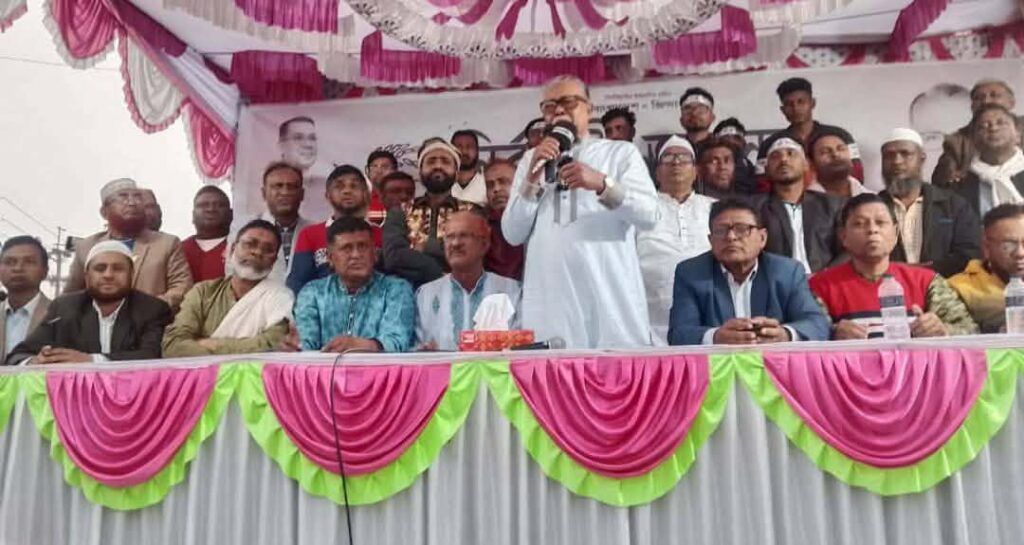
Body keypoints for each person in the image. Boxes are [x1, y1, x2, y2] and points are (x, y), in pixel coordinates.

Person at [503, 75, 658, 348]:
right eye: (549, 106)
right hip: (551, 304)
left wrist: (602, 183)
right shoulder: (531, 159)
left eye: (568, 102)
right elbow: (512, 233)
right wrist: (532, 178)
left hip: (609, 298)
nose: (558, 111)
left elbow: (648, 215)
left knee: (615, 370)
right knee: (551, 371)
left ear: (590, 109)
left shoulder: (620, 153)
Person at [809, 194, 978, 339]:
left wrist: (943, 330)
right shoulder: (820, 287)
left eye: (880, 222)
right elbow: (808, 334)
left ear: (896, 234)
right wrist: (832, 334)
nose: (872, 230)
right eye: (860, 224)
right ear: (843, 236)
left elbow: (971, 331)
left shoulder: (926, 281)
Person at [668, 199, 829, 345]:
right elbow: (679, 333)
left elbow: (817, 324)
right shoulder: (691, 273)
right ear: (710, 240)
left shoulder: (787, 272)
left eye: (742, 229)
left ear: (762, 238)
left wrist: (785, 334)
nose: (731, 237)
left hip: (773, 364)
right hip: (717, 365)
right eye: (721, 231)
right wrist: (715, 336)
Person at [7, 241, 172, 365]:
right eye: (100, 268)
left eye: (118, 268)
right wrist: (36, 361)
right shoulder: (64, 307)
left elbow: (153, 356)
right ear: (87, 276)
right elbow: (18, 356)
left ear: (131, 274)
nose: (108, 275)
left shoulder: (153, 309)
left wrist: (91, 360)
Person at [163, 220, 294, 357]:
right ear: (232, 249)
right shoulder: (203, 292)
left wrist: (210, 344)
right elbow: (173, 346)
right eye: (250, 244)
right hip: (203, 372)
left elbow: (274, 344)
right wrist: (248, 346)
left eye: (268, 249)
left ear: (274, 261)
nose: (258, 252)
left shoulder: (280, 297)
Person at [65, 178, 193, 311]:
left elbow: (182, 288)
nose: (132, 202)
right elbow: (71, 297)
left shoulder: (167, 243)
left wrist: (149, 310)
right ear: (104, 212)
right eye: (123, 197)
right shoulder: (87, 247)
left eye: (137, 197)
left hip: (153, 322)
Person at [294, 217, 415, 353]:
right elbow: (305, 346)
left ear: (375, 254)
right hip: (323, 367)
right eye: (347, 248)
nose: (356, 255)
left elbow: (397, 342)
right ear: (330, 258)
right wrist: (294, 346)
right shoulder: (312, 293)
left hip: (378, 367)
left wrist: (361, 345)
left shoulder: (397, 290)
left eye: (362, 247)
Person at [637, 136, 715, 344]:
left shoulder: (714, 208)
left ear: (696, 171)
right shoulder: (640, 209)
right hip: (649, 323)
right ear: (657, 172)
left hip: (709, 319)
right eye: (668, 158)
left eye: (684, 158)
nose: (676, 163)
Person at [878, 128, 980, 277]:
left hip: (946, 286)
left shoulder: (954, 205)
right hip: (888, 286)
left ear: (922, 158)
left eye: (905, 154)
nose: (897, 161)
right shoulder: (871, 208)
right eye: (889, 155)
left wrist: (922, 273)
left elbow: (969, 254)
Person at [415, 210, 521, 351]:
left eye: (464, 236)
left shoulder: (511, 292)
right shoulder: (425, 295)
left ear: (484, 244)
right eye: (450, 237)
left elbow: (522, 351)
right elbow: (413, 350)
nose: (455, 243)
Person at [382, 137, 478, 288]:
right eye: (431, 161)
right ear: (420, 171)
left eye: (445, 161)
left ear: (456, 173)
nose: (438, 166)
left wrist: (423, 248)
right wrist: (434, 270)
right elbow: (393, 257)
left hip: (460, 293)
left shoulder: (472, 212)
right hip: (409, 295)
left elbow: (472, 254)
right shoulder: (399, 211)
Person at [752, 138, 844, 273]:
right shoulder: (754, 208)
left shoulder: (833, 205)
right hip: (775, 282)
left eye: (791, 153)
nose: (784, 160)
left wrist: (826, 276)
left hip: (825, 281)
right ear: (766, 169)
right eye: (775, 156)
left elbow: (849, 249)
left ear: (806, 164)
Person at [287, 165, 382, 294]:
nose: (347, 191)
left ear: (366, 193)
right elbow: (298, 283)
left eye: (354, 186)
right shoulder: (309, 235)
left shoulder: (381, 234)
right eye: (339, 186)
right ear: (328, 195)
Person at [757, 77, 862, 184]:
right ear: (783, 110)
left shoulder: (839, 136)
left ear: (812, 103)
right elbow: (761, 183)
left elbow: (857, 176)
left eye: (801, 102)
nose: (796, 108)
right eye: (789, 104)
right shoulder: (771, 144)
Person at [231, 162, 314, 283]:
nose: (285, 192)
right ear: (264, 193)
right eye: (277, 186)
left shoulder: (315, 231)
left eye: (291, 187)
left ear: (302, 194)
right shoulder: (243, 227)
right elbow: (232, 270)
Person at [933, 79, 1024, 186]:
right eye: (979, 98)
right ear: (972, 106)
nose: (986, 101)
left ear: (1011, 102)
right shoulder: (957, 142)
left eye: (994, 95)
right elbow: (942, 181)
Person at [949, 204, 1024, 333]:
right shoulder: (959, 289)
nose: (1020, 253)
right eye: (1008, 245)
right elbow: (954, 333)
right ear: (986, 248)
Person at [950, 104, 1024, 218]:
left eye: (1001, 123)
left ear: (1018, 135)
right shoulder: (959, 187)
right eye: (983, 126)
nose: (993, 128)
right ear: (973, 139)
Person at [0, 237, 51, 357]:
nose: (18, 268)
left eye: (29, 262)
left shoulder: (61, 317)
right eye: (9, 262)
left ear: (45, 271)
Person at [483, 158, 524, 280]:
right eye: (490, 185)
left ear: (520, 184)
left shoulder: (537, 221)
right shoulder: (478, 226)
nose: (496, 189)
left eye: (503, 182)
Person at [181, 185, 233, 282]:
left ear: (231, 214)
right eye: (203, 205)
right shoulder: (179, 249)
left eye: (219, 205)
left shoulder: (239, 248)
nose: (211, 209)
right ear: (193, 215)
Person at [807, 127, 872, 198]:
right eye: (825, 152)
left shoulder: (873, 199)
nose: (835, 154)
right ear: (812, 163)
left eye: (841, 149)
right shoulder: (803, 201)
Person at [713, 117, 758, 193]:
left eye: (736, 138)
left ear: (743, 142)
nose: (731, 141)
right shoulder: (707, 166)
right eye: (726, 138)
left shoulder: (749, 166)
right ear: (715, 142)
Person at [451, 130, 488, 206]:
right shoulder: (442, 183)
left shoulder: (488, 183)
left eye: (469, 146)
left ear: (477, 151)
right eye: (459, 146)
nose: (464, 151)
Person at [365, 149, 399, 226]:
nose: (379, 171)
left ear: (395, 171)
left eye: (385, 167)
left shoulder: (405, 200)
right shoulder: (361, 200)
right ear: (368, 171)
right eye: (374, 166)